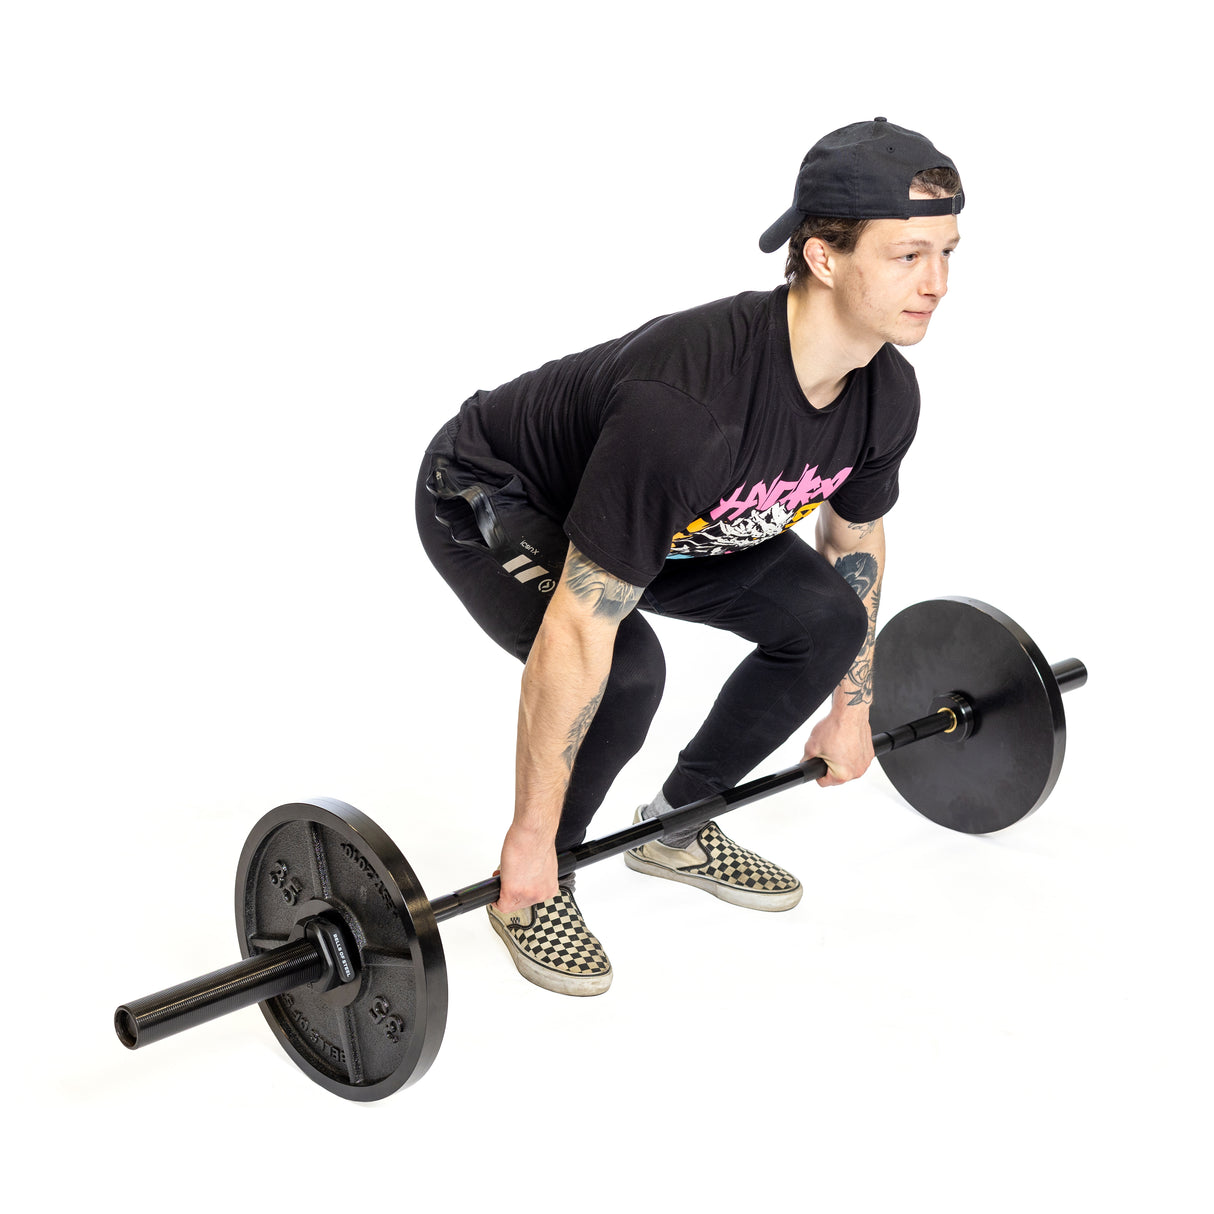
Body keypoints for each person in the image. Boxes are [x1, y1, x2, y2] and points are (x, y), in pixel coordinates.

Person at [416, 117, 963, 996]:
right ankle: (540, 878)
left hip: (669, 518)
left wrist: (851, 708)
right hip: (502, 494)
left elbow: (852, 537)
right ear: (823, 256)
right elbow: (581, 627)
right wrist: (526, 836)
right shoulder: (691, 408)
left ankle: (679, 823)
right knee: (628, 667)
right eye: (907, 256)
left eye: (947, 252)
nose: (937, 282)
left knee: (824, 617)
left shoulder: (885, 392)